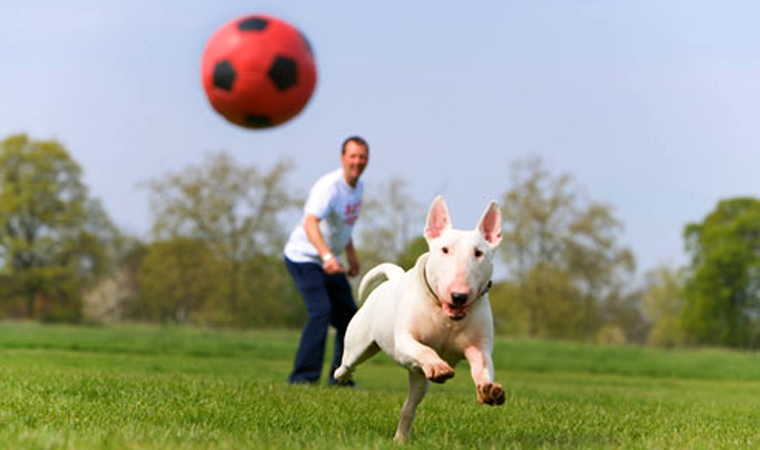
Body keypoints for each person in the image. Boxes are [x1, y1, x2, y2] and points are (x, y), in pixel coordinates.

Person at [283, 136, 369, 385]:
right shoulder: (329, 187)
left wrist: (350, 255)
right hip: (305, 258)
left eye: (362, 156)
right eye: (353, 156)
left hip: (329, 260)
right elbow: (310, 223)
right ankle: (302, 379)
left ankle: (340, 378)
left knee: (350, 318)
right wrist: (327, 256)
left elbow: (344, 225)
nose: (357, 161)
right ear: (343, 158)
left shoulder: (359, 187)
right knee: (320, 312)